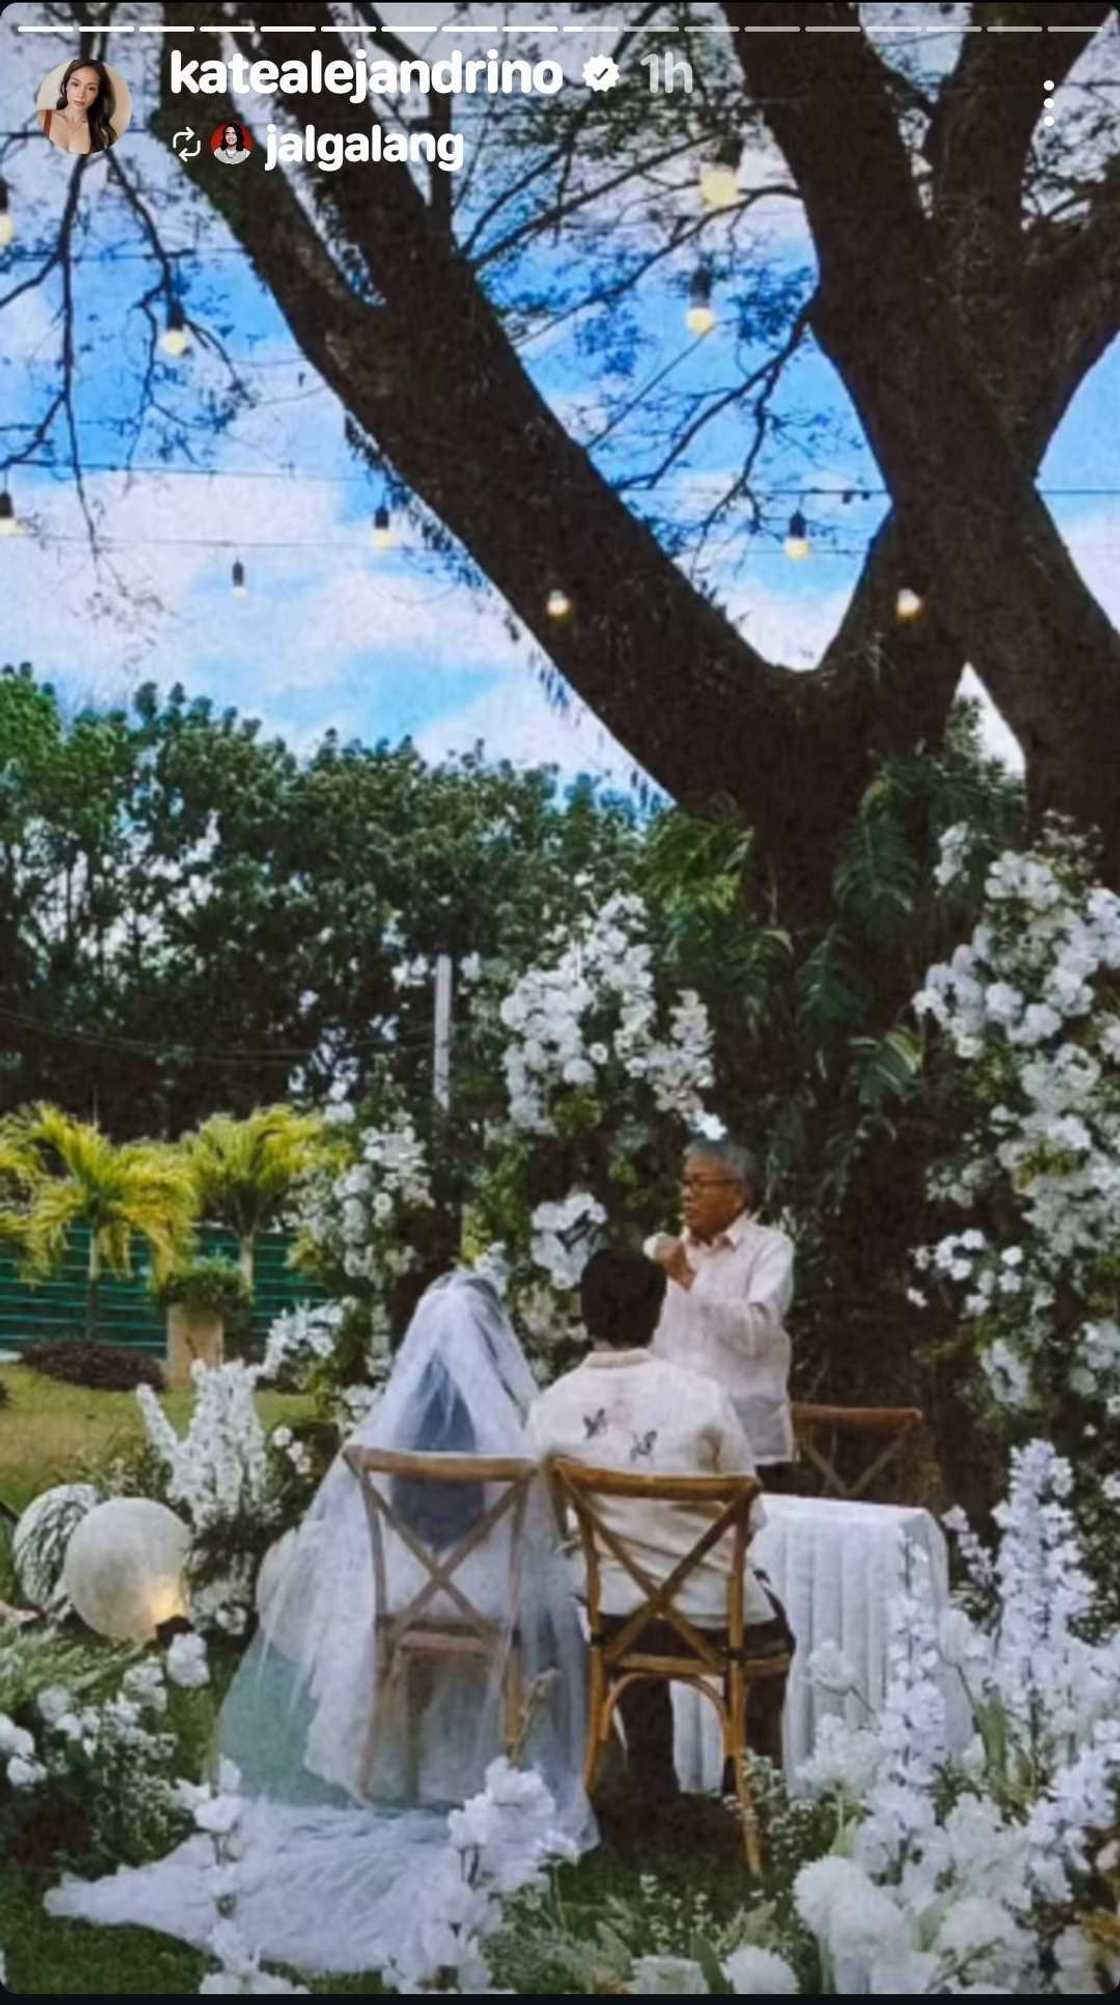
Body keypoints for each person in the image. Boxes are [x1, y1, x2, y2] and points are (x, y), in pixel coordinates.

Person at [47, 1270, 594, 1975]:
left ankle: (385, 1763)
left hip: (404, 1597)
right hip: (482, 1600)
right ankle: (494, 1760)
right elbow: (542, 1547)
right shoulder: (512, 1441)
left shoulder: (384, 1438)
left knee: (397, 1593)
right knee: (529, 1595)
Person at [527, 1250, 793, 1807]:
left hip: (616, 1614)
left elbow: (543, 1527)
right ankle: (745, 1788)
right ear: (656, 1314)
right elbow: (751, 1516)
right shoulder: (701, 1396)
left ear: (584, 1313)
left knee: (632, 1627)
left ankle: (655, 1788)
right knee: (774, 1640)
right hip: (717, 1617)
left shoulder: (551, 1407)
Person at [646, 1137, 796, 1485]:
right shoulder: (667, 1251)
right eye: (685, 1183)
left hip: (748, 1447)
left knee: (752, 1540)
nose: (687, 1194)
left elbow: (756, 1335)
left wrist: (687, 1277)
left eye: (700, 1184)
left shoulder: (770, 1249)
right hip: (673, 1442)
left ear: (738, 1195)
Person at [40, 59, 118, 155]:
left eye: (91, 88)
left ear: (98, 94)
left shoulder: (102, 134)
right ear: (66, 86)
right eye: (76, 84)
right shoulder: (42, 117)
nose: (81, 94)